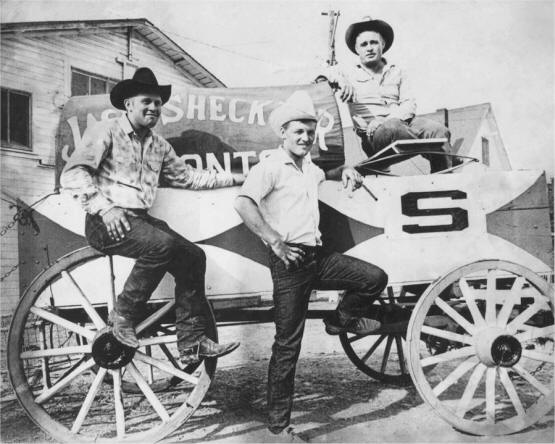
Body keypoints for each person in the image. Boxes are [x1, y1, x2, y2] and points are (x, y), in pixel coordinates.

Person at [61, 67, 242, 365]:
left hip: (138, 220)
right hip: (104, 221)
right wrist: (105, 208)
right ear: (128, 104)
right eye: (146, 101)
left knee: (193, 256)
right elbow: (74, 173)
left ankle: (192, 342)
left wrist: (237, 177)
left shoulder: (159, 145)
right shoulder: (106, 131)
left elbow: (189, 178)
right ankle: (122, 316)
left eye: (158, 103)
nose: (153, 108)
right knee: (162, 245)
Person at [234, 91, 388, 440]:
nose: (305, 138)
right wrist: (275, 242)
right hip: (289, 263)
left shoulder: (308, 168)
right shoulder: (270, 166)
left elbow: (327, 173)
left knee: (374, 278)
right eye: (298, 132)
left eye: (309, 132)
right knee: (288, 345)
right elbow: (243, 203)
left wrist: (347, 170)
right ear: (283, 133)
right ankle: (278, 428)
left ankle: (340, 319)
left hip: (318, 257)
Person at [320, 17, 453, 173]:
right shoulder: (348, 72)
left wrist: (385, 120)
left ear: (383, 44)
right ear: (356, 49)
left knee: (439, 131)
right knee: (392, 128)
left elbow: (409, 104)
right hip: (373, 136)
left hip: (403, 123)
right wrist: (342, 81)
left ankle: (442, 175)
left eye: (374, 43)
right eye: (364, 44)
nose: (369, 48)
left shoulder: (397, 71)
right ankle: (442, 152)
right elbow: (322, 73)